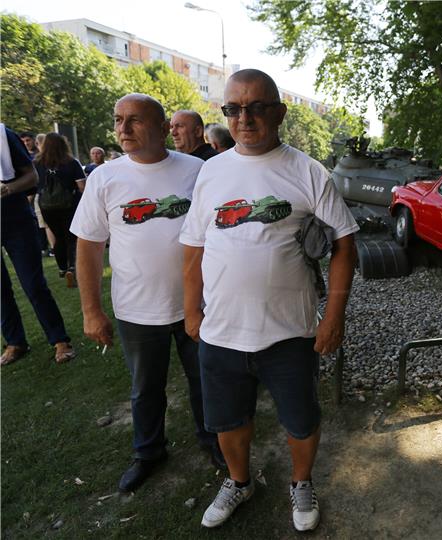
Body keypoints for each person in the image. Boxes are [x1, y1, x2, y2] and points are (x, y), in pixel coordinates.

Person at [181, 69, 358, 532]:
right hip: (221, 331)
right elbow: (194, 245)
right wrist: (191, 309)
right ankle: (239, 481)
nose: (246, 117)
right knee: (226, 420)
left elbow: (345, 246)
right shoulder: (210, 172)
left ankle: (301, 481)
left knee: (300, 419)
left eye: (258, 106)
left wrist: (333, 316)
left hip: (290, 331)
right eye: (234, 109)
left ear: (278, 112)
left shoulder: (307, 171)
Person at [71, 93, 225, 493]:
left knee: (204, 380)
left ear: (162, 128)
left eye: (135, 120)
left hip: (198, 304)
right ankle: (149, 452)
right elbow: (88, 246)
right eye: (119, 120)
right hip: (137, 309)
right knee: (145, 388)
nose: (123, 129)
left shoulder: (197, 170)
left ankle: (213, 442)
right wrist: (92, 310)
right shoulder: (105, 178)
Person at [1, 124, 75, 365]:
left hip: (15, 221)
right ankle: (15, 342)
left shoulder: (4, 135)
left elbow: (32, 176)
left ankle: (59, 340)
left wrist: (9, 188)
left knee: (33, 285)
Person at [33, 133, 86, 288]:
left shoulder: (37, 162)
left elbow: (35, 184)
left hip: (46, 206)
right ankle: (72, 267)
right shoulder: (71, 162)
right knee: (71, 237)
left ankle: (62, 268)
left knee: (58, 237)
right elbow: (82, 186)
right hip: (69, 205)